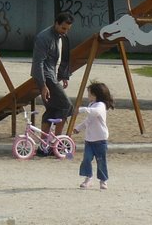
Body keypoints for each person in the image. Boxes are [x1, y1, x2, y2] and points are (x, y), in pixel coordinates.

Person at [30, 11, 73, 155]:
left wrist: (65, 75)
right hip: (46, 77)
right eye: (63, 28)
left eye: (67, 29)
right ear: (56, 23)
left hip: (53, 76)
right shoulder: (44, 37)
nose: (65, 32)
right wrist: (43, 85)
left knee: (52, 109)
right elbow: (38, 63)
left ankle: (44, 147)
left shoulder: (61, 37)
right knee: (66, 106)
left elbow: (64, 58)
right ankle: (57, 144)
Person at [76, 81, 114, 190]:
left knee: (101, 160)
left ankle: (103, 180)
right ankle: (88, 178)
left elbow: (95, 112)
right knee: (86, 159)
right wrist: (78, 128)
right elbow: (88, 121)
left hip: (100, 139)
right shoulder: (91, 105)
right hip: (89, 139)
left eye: (90, 94)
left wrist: (81, 109)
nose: (88, 96)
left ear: (97, 95)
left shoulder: (101, 105)